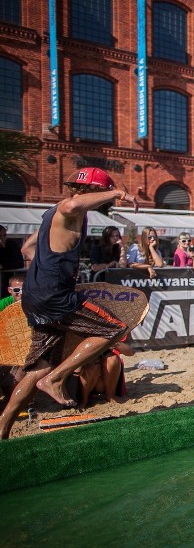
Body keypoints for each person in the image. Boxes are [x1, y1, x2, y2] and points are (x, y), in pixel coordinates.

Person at [0, 167, 138, 439]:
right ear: (94, 192)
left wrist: (49, 265)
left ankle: (2, 426)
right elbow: (73, 203)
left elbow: (27, 248)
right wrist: (119, 192)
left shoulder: (53, 214)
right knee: (115, 329)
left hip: (35, 295)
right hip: (55, 295)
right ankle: (55, 379)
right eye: (103, 195)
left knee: (38, 366)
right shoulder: (70, 208)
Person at [77, 339, 133, 408]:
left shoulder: (109, 332)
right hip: (89, 375)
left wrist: (112, 341)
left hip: (105, 379)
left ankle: (110, 396)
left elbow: (130, 353)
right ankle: (84, 400)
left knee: (113, 358)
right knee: (92, 363)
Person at [0, 224, 25, 296]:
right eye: (0, 236)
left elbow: (19, 263)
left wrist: (3, 266)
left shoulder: (11, 244)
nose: (2, 238)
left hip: (8, 280)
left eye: (4, 235)